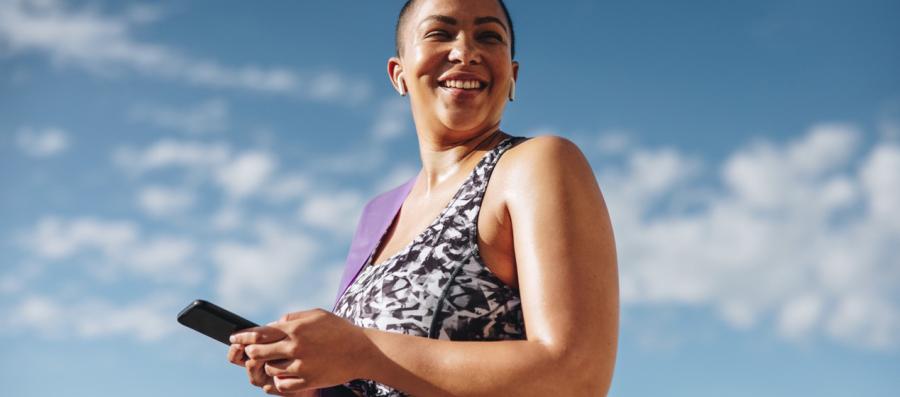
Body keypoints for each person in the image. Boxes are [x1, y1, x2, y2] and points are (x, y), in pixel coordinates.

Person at [227, 0, 619, 395]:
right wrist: (310, 381)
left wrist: (362, 349)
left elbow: (577, 376)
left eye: (488, 36)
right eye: (440, 33)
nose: (465, 51)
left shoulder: (535, 164)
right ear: (398, 74)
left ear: (512, 75)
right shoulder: (378, 214)